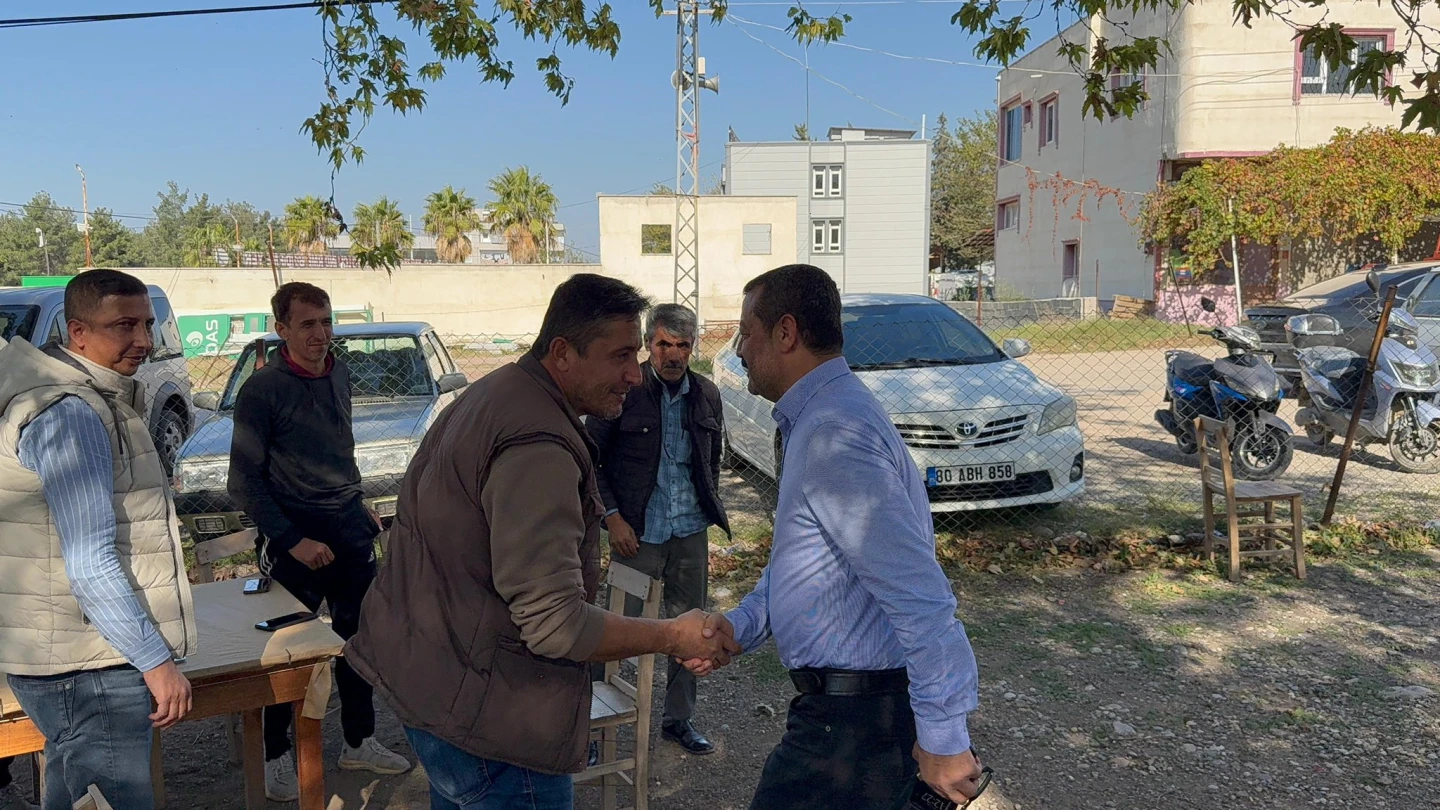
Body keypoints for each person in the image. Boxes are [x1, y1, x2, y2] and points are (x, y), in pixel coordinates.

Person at [345, 274, 740, 810]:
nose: (634, 373)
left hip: (438, 692)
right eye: (621, 355)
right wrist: (673, 635)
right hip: (495, 727)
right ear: (562, 353)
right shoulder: (538, 443)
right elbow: (557, 625)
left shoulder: (494, 393)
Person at [683, 264, 985, 809]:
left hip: (857, 727)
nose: (739, 352)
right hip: (841, 718)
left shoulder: (834, 431)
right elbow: (807, 562)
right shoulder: (821, 418)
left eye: (746, 334)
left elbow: (918, 593)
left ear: (786, 332)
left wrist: (944, 738)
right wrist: (742, 625)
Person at [0, 269, 198, 810]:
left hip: (74, 652)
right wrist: (155, 662)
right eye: (124, 326)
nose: (144, 340)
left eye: (148, 324)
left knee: (79, 795)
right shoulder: (70, 414)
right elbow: (90, 561)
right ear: (78, 332)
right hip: (89, 663)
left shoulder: (84, 398)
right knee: (109, 798)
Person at [228, 282, 410, 802]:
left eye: (326, 322)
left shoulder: (339, 372)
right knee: (287, 654)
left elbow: (339, 450)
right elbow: (244, 483)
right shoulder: (263, 390)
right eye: (307, 324)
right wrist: (292, 540)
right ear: (281, 329)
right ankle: (276, 755)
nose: (320, 334)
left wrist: (355, 501)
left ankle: (358, 740)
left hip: (347, 530)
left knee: (358, 642)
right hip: (294, 539)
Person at [587, 303, 730, 755]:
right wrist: (613, 518)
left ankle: (678, 720)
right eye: (664, 344)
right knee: (611, 631)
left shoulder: (706, 394)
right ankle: (589, 725)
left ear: (693, 347)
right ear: (649, 344)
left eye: (682, 345)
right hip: (637, 535)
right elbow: (590, 460)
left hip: (689, 533)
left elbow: (711, 462)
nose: (673, 355)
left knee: (694, 631)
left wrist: (706, 508)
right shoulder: (624, 391)